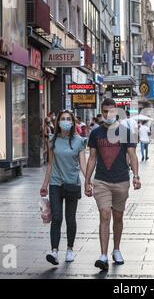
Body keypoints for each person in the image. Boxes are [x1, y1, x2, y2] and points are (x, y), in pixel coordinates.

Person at [85, 98, 141, 271]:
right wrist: (87, 180)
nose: (108, 115)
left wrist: (136, 176)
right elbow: (92, 157)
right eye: (105, 112)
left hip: (122, 180)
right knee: (104, 215)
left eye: (111, 111)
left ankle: (116, 249)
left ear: (116, 112)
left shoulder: (126, 131)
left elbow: (132, 155)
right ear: (101, 113)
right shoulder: (95, 133)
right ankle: (103, 255)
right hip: (101, 180)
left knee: (118, 217)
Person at [40, 110, 87, 265]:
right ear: (58, 122)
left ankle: (70, 249)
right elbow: (50, 163)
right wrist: (45, 184)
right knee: (57, 218)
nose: (65, 121)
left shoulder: (79, 141)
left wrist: (88, 181)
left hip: (72, 183)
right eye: (63, 119)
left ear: (73, 122)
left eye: (68, 119)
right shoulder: (52, 140)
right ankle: (54, 252)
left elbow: (82, 164)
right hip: (55, 183)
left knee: (70, 218)